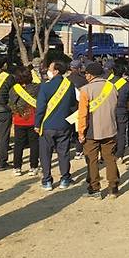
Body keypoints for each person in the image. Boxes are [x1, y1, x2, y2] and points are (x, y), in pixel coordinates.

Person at [78, 61, 120, 200]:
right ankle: (113, 188)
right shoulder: (112, 87)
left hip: (92, 131)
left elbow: (83, 114)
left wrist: (81, 133)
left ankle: (94, 188)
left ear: (90, 75)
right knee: (110, 158)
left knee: (92, 160)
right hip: (110, 128)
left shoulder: (85, 90)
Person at [35, 60, 77, 190]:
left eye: (50, 68)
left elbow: (40, 108)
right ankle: (65, 179)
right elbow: (72, 105)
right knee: (63, 153)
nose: (48, 70)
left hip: (47, 126)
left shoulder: (45, 86)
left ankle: (47, 181)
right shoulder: (69, 85)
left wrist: (37, 124)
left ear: (56, 71)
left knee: (45, 154)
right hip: (64, 125)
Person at [8, 66, 40, 176]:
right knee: (34, 144)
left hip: (19, 119)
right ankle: (33, 167)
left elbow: (11, 104)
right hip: (33, 119)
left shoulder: (13, 89)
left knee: (18, 144)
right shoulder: (36, 88)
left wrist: (19, 112)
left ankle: (17, 167)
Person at [109, 62, 129, 162]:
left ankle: (108, 153)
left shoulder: (108, 83)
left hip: (109, 110)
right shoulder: (126, 84)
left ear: (112, 71)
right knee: (121, 133)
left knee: (110, 132)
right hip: (122, 110)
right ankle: (120, 155)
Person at [67, 59, 88, 160]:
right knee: (79, 129)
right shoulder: (84, 80)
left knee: (68, 130)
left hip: (68, 108)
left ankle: (66, 150)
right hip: (79, 107)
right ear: (79, 68)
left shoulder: (66, 80)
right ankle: (79, 151)